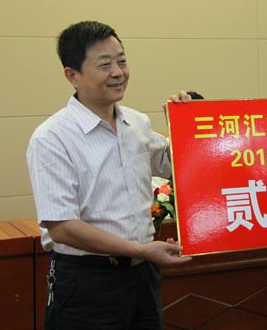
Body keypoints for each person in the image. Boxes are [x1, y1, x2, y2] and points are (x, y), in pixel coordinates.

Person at [26, 20, 191, 330]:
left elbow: (179, 166)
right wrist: (140, 249)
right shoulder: (52, 138)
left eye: (122, 61)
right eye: (105, 64)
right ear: (72, 75)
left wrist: (189, 123)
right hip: (87, 280)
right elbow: (62, 227)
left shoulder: (137, 123)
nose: (118, 72)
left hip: (143, 275)